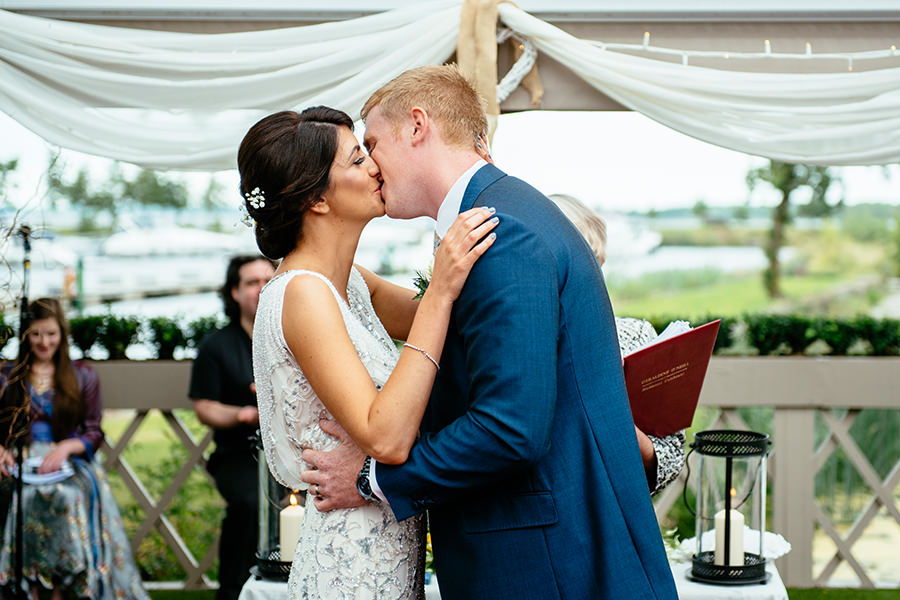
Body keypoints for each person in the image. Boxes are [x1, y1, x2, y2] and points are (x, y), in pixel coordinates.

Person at [301, 65, 678, 599]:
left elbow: (510, 428)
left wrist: (371, 480)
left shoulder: (504, 235)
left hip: (546, 566)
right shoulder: (495, 218)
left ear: (417, 126)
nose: (372, 167)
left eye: (373, 143)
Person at [240, 106, 497, 599]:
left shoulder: (352, 284)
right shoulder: (302, 295)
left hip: (388, 555)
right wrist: (439, 289)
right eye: (358, 159)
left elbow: (447, 324)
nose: (376, 166)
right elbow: (386, 437)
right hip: (350, 569)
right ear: (316, 198)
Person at [0, 297, 149, 600]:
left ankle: (64, 585)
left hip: (70, 463)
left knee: (67, 496)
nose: (44, 342)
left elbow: (94, 430)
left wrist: (67, 447)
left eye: (51, 334)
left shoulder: (82, 375)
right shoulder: (8, 375)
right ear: (25, 334)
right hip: (19, 460)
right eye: (36, 334)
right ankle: (26, 585)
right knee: (23, 497)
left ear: (62, 334)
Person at [547, 193, 685, 495]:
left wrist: (614, 418)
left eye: (593, 267)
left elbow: (672, 458)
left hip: (616, 509)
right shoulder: (516, 341)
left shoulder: (633, 336)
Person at [189, 255, 274, 600]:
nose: (261, 289)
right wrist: (244, 414)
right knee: (251, 504)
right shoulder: (216, 346)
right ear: (235, 292)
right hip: (240, 454)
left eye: (268, 280)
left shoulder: (293, 335)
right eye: (252, 283)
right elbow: (204, 408)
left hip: (293, 451)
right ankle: (233, 590)